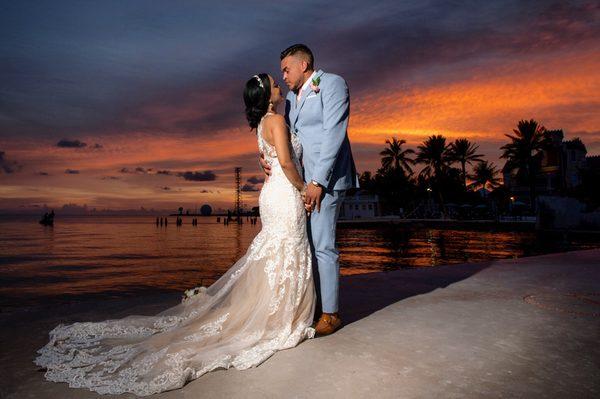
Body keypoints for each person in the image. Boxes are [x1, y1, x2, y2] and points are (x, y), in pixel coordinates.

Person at [33, 73, 316, 397]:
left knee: (276, 254)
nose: (279, 86)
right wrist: (303, 187)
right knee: (287, 250)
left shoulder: (262, 126)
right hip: (284, 194)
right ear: (267, 94)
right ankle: (277, 319)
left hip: (271, 196)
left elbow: (271, 159)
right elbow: (284, 161)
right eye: (273, 83)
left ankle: (272, 314)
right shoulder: (277, 121)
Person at [260, 44, 358, 336]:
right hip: (302, 183)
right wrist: (266, 157)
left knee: (324, 245)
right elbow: (286, 139)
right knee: (308, 245)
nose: (284, 76)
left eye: (286, 70)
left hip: (326, 180)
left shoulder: (332, 84)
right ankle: (313, 304)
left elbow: (334, 133)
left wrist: (317, 181)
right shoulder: (290, 99)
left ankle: (331, 313)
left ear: (303, 65)